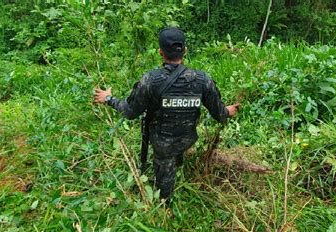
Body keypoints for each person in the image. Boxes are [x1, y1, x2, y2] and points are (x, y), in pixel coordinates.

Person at [94, 27, 239, 203]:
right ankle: (177, 165)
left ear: (160, 52)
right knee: (175, 154)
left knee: (165, 179)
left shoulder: (151, 80)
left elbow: (130, 111)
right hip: (188, 139)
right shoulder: (202, 80)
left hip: (163, 145)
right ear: (184, 50)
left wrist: (108, 98)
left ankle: (165, 206)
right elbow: (220, 114)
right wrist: (228, 111)